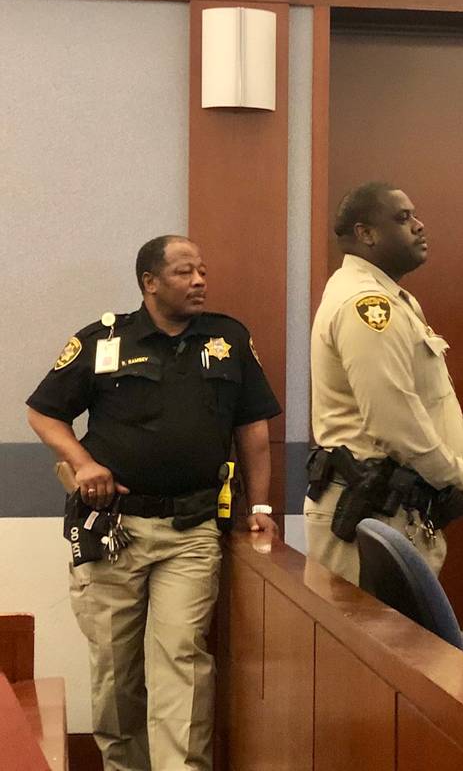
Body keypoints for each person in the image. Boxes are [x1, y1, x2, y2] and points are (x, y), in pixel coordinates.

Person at [26, 235, 281, 771]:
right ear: (149, 283)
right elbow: (44, 412)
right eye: (185, 272)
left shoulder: (228, 340)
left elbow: (252, 428)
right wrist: (84, 463)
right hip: (114, 531)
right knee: (117, 669)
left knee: (182, 661)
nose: (200, 282)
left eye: (203, 271)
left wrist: (260, 509)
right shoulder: (103, 341)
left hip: (192, 530)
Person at [307, 181, 463, 584]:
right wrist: (460, 475)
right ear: (366, 234)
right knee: (369, 645)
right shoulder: (367, 306)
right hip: (369, 513)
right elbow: (393, 422)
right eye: (403, 218)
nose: (420, 226)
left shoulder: (394, 300)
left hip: (395, 509)